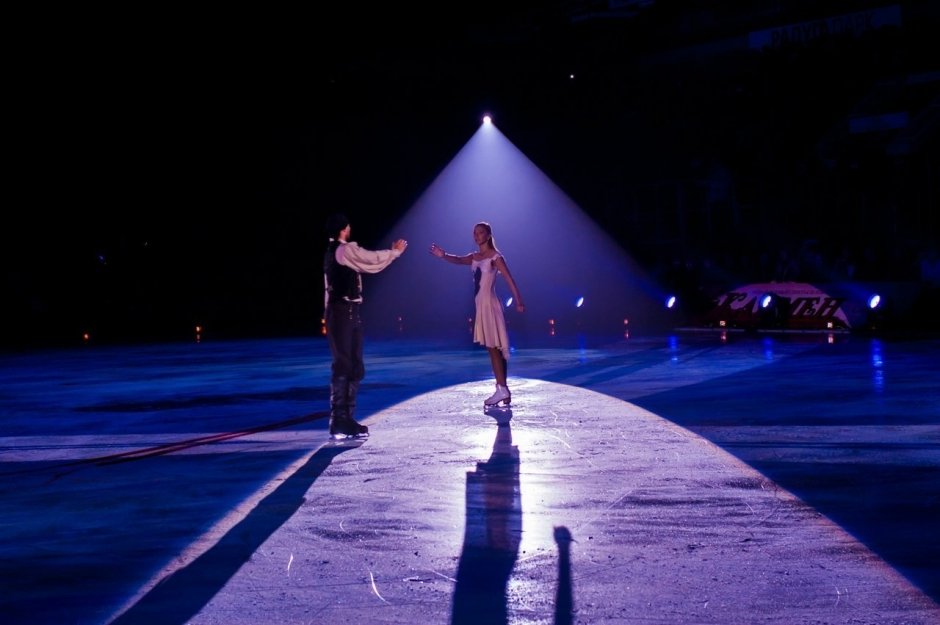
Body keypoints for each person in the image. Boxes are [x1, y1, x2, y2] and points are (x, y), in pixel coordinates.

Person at [323, 213, 408, 438]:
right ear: (344, 228)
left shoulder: (336, 253)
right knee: (344, 364)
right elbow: (370, 260)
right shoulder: (343, 250)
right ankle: (339, 419)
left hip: (347, 313)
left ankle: (346, 418)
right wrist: (395, 253)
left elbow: (369, 267)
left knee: (354, 366)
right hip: (342, 312)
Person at [430, 222, 524, 406]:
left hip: (489, 304)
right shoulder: (474, 257)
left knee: (493, 347)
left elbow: (509, 278)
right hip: (480, 306)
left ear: (488, 235)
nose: (476, 235)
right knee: (494, 348)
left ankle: (502, 389)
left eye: (480, 232)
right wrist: (443, 255)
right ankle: (503, 389)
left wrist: (519, 300)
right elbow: (458, 259)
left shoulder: (495, 257)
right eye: (474, 232)